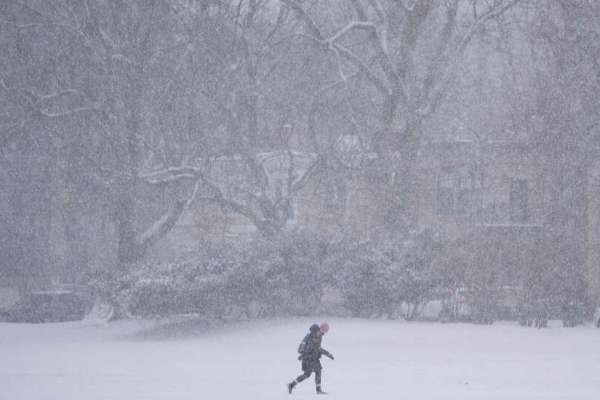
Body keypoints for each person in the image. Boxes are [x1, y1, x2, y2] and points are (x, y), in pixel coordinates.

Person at [287, 322, 334, 394]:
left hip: (314, 358)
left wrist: (328, 354)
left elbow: (318, 348)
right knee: (310, 374)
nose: (323, 332)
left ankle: (317, 390)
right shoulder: (312, 336)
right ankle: (292, 385)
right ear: (320, 328)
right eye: (323, 330)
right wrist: (303, 355)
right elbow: (310, 348)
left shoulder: (319, 336)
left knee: (314, 372)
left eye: (325, 331)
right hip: (308, 358)